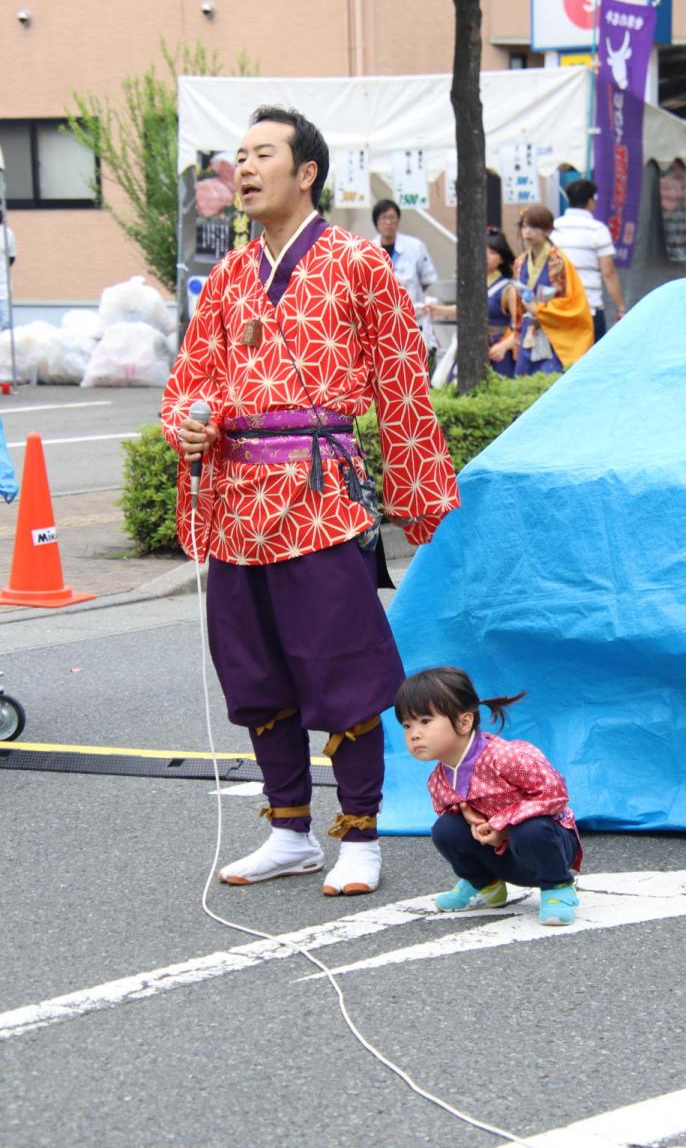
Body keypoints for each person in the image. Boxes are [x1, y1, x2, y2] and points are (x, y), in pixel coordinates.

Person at [161, 106, 460, 897]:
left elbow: (401, 379)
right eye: (239, 157)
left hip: (318, 497)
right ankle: (288, 830)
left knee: (344, 669)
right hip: (233, 500)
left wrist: (414, 488)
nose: (245, 169)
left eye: (264, 155)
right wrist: (185, 428)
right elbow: (191, 380)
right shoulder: (224, 278)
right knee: (254, 671)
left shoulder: (360, 264)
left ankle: (358, 833)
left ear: (306, 174)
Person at [394, 667, 582, 927]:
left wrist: (502, 825)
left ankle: (558, 887)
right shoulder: (438, 780)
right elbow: (457, 827)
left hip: (549, 848)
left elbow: (555, 793)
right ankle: (486, 885)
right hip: (501, 854)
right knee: (445, 830)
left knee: (530, 830)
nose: (414, 733)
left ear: (464, 721)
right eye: (406, 724)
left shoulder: (505, 757)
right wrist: (473, 822)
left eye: (425, 721)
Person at [425, 228, 521, 378]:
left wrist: (505, 345)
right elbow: (463, 310)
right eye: (483, 251)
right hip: (471, 346)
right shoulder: (475, 283)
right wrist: (436, 310)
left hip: (497, 351)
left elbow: (520, 324)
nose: (486, 257)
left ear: (502, 258)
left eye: (492, 253)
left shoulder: (509, 289)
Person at [513, 203, 593, 376]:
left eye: (534, 227)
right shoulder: (520, 262)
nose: (527, 232)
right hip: (528, 329)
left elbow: (570, 302)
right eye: (524, 226)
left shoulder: (558, 262)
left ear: (548, 231)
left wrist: (540, 310)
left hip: (554, 332)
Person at [551, 178, 625, 342]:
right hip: (589, 306)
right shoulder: (598, 229)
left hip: (560, 306)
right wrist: (620, 307)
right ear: (590, 201)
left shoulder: (555, 228)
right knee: (592, 361)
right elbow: (608, 273)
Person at [371, 199, 438, 309]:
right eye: (383, 218)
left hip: (412, 312)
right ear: (376, 221)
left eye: (392, 217)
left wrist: (413, 293)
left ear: (398, 220)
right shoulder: (370, 249)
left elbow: (427, 280)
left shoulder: (415, 246)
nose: (388, 222)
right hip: (381, 313)